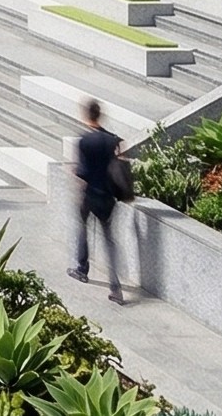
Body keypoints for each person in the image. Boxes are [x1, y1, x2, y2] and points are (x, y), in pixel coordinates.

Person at [69, 99, 127, 304]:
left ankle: (82, 268)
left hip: (89, 195)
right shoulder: (112, 140)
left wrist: (75, 172)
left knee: (82, 228)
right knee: (109, 240)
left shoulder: (85, 141)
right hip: (108, 196)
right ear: (100, 115)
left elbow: (83, 172)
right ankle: (116, 287)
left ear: (86, 115)